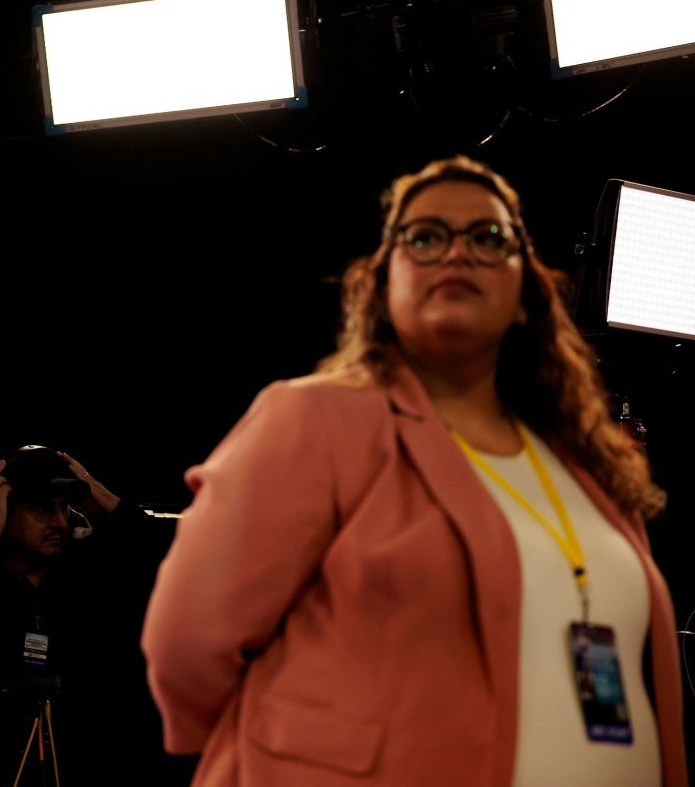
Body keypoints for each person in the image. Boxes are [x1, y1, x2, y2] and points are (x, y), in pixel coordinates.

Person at [140, 155, 686, 787]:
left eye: (489, 238)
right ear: (382, 286)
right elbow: (187, 643)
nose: (456, 253)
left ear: (525, 296)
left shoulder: (588, 460)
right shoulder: (314, 419)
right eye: (424, 237)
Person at [0, 444, 190, 785]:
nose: (57, 521)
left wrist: (104, 499)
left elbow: (179, 556)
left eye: (62, 508)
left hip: (94, 761)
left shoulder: (90, 572)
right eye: (40, 509)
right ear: (1, 511)